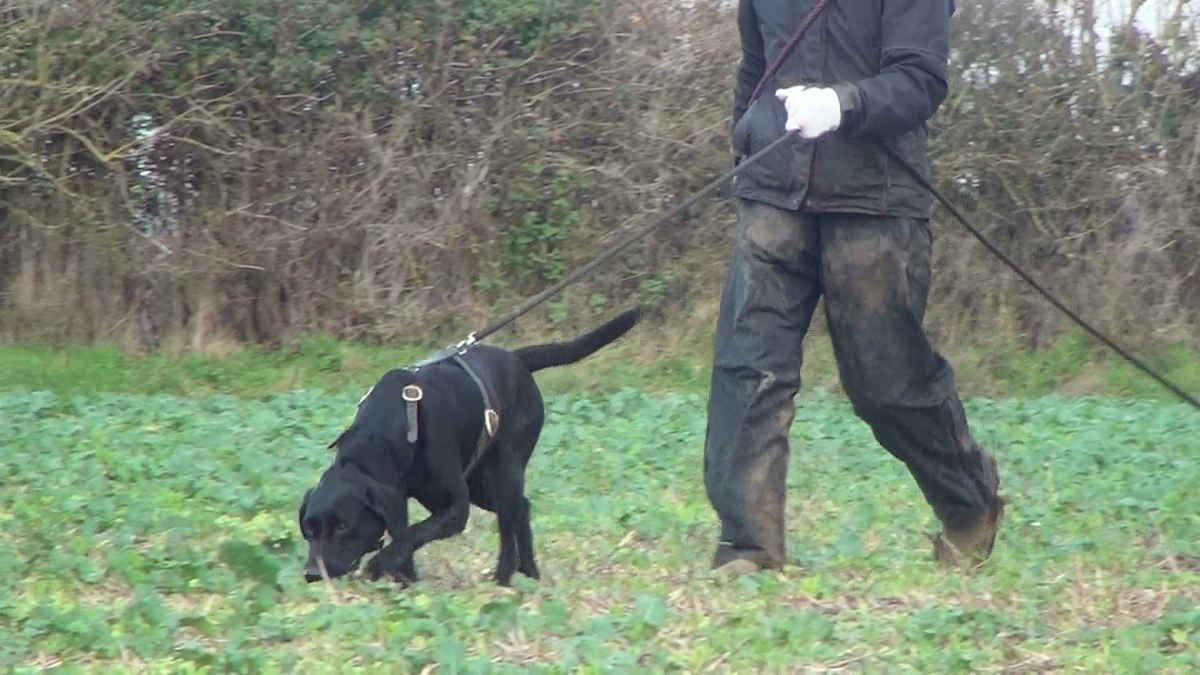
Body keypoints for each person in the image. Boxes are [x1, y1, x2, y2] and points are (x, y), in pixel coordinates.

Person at [703, 0, 1005, 578]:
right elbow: (754, 64)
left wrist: (843, 104)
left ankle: (971, 504)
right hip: (773, 192)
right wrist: (746, 132)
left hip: (878, 198)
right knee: (748, 366)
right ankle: (748, 546)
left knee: (885, 384)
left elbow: (920, 78)